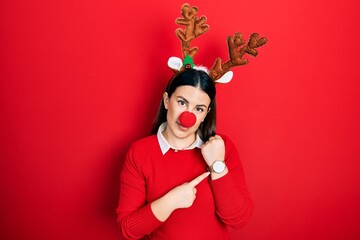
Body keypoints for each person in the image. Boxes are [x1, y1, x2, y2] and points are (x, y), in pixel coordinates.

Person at [116, 68, 253, 240]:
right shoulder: (140, 152)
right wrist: (171, 201)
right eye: (182, 102)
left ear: (206, 114)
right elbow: (128, 229)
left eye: (199, 109)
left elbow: (238, 220)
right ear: (167, 101)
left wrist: (217, 165)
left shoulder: (222, 147)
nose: (188, 116)